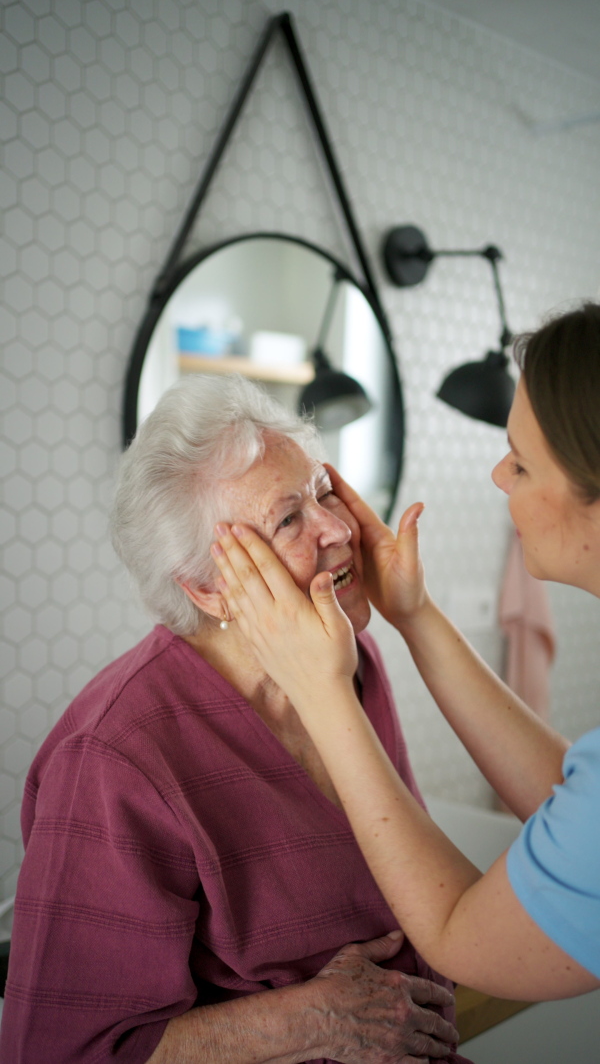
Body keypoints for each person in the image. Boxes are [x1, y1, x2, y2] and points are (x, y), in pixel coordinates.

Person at [1, 374, 468, 1064]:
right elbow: (54, 1048)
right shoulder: (111, 756)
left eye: (321, 492)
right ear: (207, 588)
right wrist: (314, 1018)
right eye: (288, 519)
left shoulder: (353, 657)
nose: (339, 528)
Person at [211, 302, 600, 1003]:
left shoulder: (356, 680)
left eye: (521, 463)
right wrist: (412, 615)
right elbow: (573, 801)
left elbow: (461, 935)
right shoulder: (111, 747)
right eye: (293, 514)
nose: (497, 476)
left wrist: (323, 693)